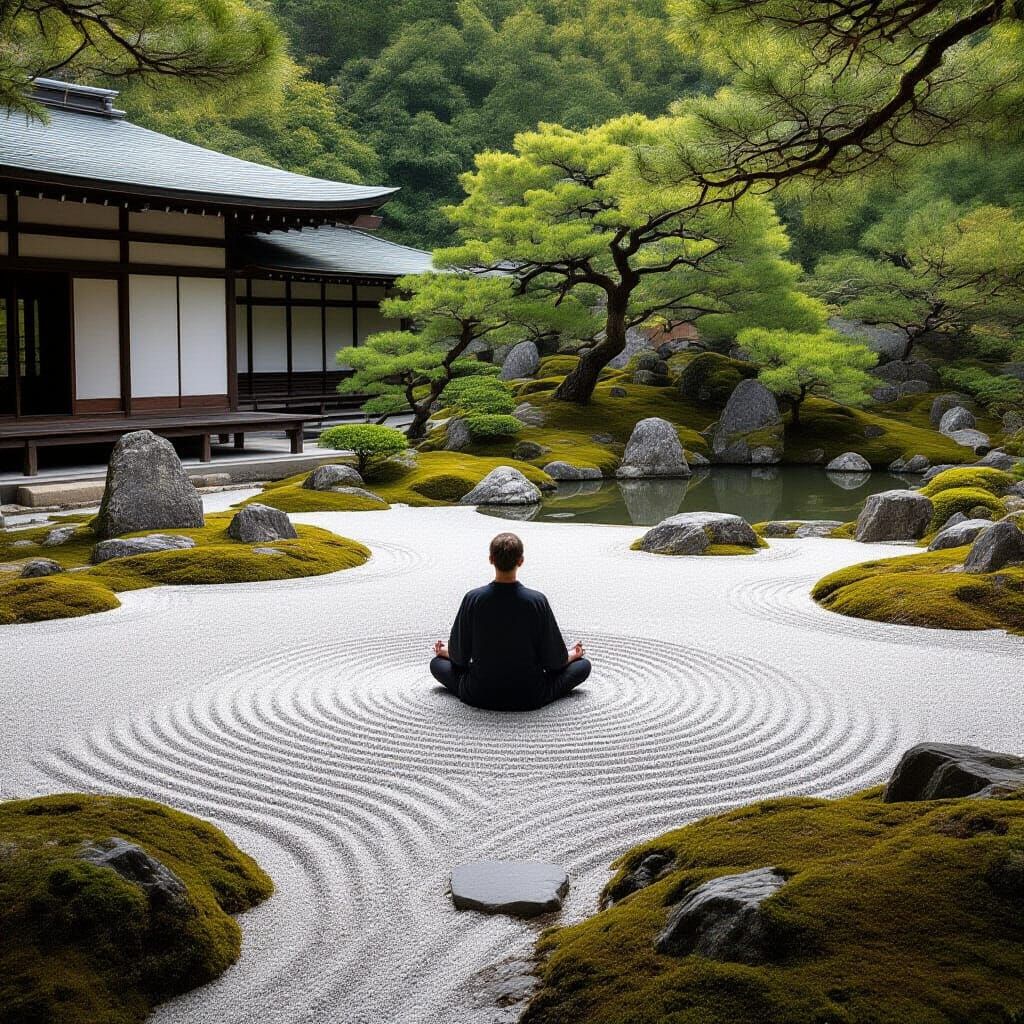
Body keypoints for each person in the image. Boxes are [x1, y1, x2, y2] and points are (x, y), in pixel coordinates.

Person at [430, 532, 591, 711]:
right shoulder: (536, 601)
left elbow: (459, 659)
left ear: (491, 559)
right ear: (521, 561)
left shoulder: (473, 599)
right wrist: (573, 655)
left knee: (436, 664)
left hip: (479, 693)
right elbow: (554, 662)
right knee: (583, 666)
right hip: (530, 694)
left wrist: (447, 652)